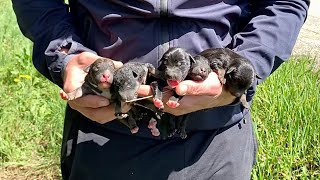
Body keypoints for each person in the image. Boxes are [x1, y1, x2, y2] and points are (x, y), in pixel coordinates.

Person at [12, 0, 309, 179]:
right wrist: (65, 54)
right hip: (102, 136)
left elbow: (283, 3)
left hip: (216, 137)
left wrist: (246, 66)